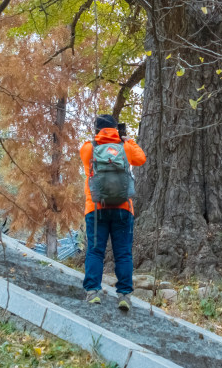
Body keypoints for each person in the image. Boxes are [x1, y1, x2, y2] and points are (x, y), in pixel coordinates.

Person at [80, 114, 146, 311]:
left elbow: (87, 167)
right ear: (116, 129)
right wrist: (128, 140)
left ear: (96, 130)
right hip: (123, 208)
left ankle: (93, 292)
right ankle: (124, 294)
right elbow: (141, 159)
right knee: (123, 253)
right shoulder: (125, 147)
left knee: (95, 251)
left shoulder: (88, 147)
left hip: (96, 208)